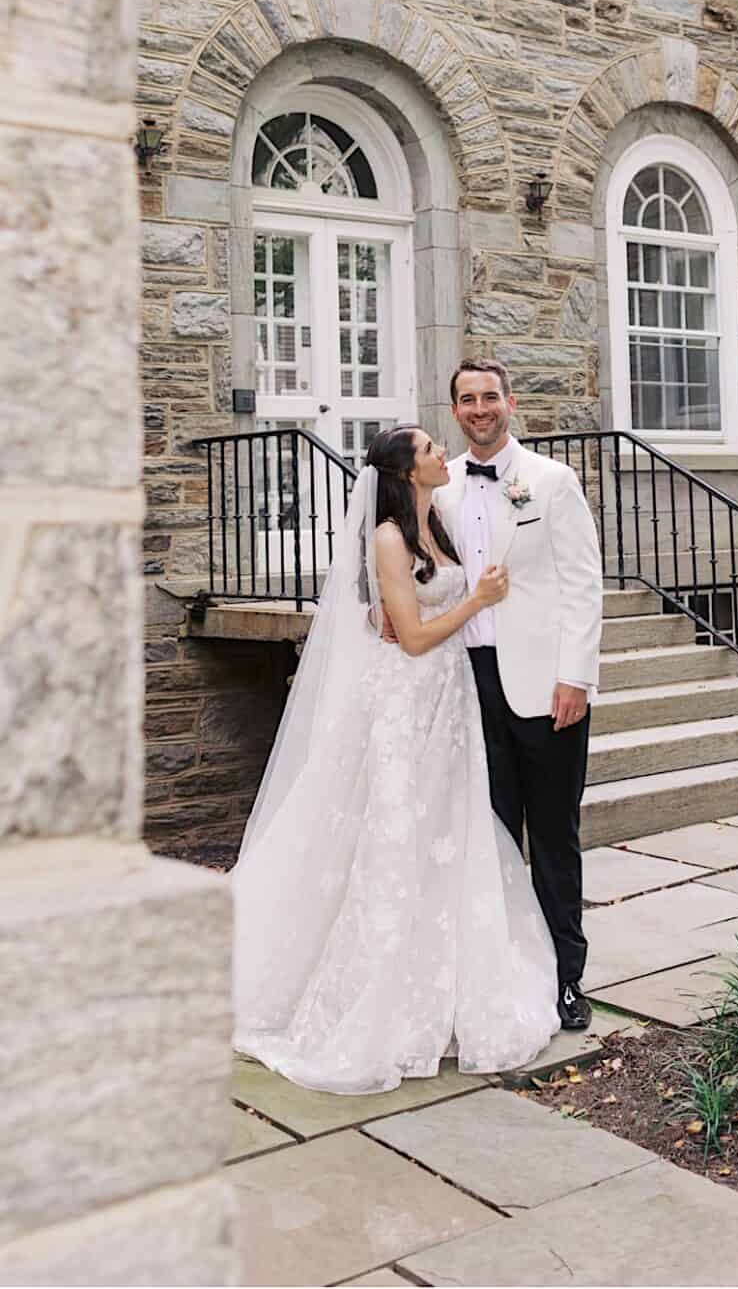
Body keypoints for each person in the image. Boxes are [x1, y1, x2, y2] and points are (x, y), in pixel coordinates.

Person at [231, 425, 559, 1093]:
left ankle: (445, 986)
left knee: (446, 832)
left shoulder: (434, 518)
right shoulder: (388, 535)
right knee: (396, 839)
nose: (444, 453)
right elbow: (409, 637)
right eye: (432, 448)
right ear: (408, 469)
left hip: (448, 702)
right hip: (407, 705)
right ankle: (380, 997)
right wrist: (476, 600)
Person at [435, 359, 605, 1033]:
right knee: (492, 838)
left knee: (555, 835)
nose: (480, 408)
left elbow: (582, 583)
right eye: (467, 399)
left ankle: (566, 978)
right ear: (455, 409)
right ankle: (505, 977)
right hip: (465, 683)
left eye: (489, 397)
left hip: (544, 685)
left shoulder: (551, 481)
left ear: (511, 401)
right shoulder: (439, 485)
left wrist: (577, 675)